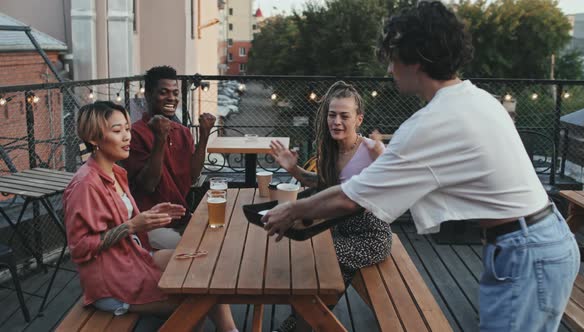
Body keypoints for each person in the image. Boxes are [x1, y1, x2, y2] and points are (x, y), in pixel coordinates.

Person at [262, 2, 580, 332]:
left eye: (393, 58)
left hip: (525, 253)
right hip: (539, 240)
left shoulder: (430, 124)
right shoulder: (476, 98)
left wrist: (291, 212)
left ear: (416, 60)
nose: (389, 70)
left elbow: (350, 198)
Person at [64, 101, 237, 331]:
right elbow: (79, 248)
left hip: (135, 259)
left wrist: (148, 216)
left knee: (205, 266)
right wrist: (133, 225)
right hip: (111, 282)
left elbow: (124, 221)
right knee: (197, 298)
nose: (127, 136)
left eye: (127, 128)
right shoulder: (85, 184)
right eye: (117, 131)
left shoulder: (115, 172)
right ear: (93, 138)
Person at [270, 81, 391, 331]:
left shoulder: (372, 151)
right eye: (332, 115)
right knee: (307, 260)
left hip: (370, 235)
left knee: (319, 262)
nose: (336, 121)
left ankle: (301, 324)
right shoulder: (330, 150)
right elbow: (324, 185)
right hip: (337, 228)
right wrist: (293, 169)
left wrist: (387, 167)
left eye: (344, 116)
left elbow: (389, 192)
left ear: (358, 119)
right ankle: (304, 321)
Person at [122, 65, 216, 249]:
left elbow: (192, 176)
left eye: (175, 93)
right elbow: (148, 185)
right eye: (163, 92)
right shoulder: (134, 134)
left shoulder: (183, 132)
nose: (171, 98)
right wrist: (160, 139)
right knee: (194, 250)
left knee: (217, 239)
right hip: (151, 222)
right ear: (148, 95)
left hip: (181, 217)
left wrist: (204, 135)